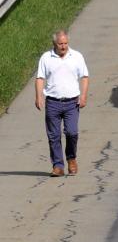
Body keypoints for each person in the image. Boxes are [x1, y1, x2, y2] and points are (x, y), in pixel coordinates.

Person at [35, 30, 90, 177]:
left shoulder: (77, 56)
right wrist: (39, 96)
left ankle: (71, 159)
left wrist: (83, 95)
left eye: (65, 43)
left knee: (72, 132)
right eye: (60, 44)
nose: (63, 46)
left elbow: (84, 77)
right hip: (52, 102)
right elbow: (40, 78)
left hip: (72, 102)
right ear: (54, 43)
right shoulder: (46, 58)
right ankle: (58, 166)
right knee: (54, 135)